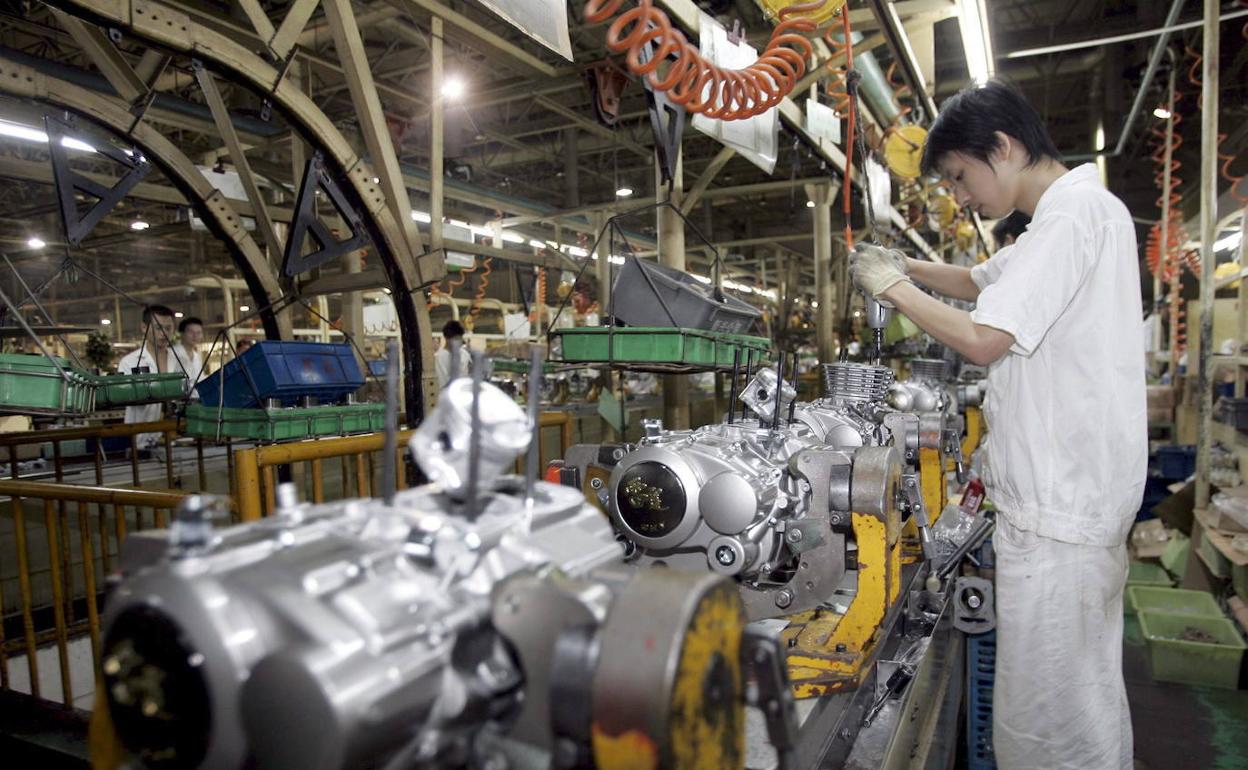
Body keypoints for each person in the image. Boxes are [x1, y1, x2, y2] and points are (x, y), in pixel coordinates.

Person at [849, 81, 1144, 770]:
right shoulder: (1063, 219)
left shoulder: (1075, 216)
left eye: (959, 176)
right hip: (1064, 506)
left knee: (1052, 723)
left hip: (1060, 511)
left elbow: (983, 338)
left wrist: (893, 290)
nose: (959, 196)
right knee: (1075, 700)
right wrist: (902, 264)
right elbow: (978, 280)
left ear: (1003, 148)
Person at [115, 305, 179, 449]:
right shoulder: (129, 362)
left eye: (168, 328)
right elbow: (125, 397)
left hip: (175, 438)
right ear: (144, 328)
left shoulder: (180, 360)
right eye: (158, 328)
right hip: (139, 441)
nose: (164, 333)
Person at [171, 316, 206, 395]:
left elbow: (200, 379)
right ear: (182, 333)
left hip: (196, 398)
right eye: (191, 332)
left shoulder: (197, 356)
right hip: (178, 398)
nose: (195, 336)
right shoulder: (172, 353)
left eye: (198, 332)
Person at [434, 320, 472, 388]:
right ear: (447, 338)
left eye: (461, 338)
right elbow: (442, 383)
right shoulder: (438, 358)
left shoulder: (465, 354)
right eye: (456, 338)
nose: (460, 341)